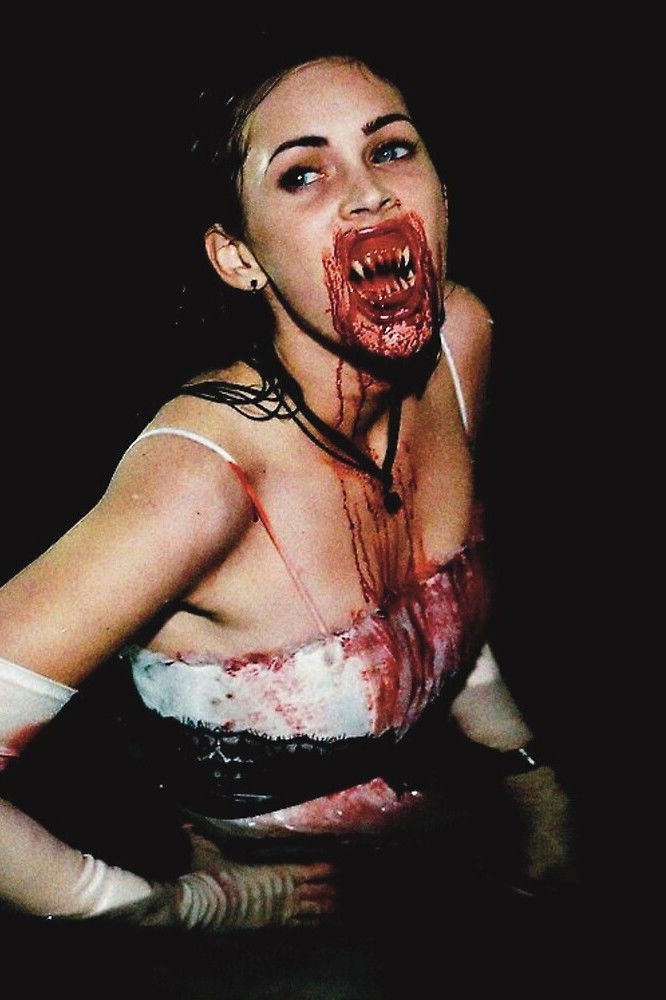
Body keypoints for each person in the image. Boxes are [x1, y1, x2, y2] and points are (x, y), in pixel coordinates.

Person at [0, 44, 576, 937]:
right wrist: (175, 908)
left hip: (438, 843)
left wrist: (525, 771)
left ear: (443, 194)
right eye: (302, 173)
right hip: (274, 906)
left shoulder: (460, 339)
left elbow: (435, 598)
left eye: (390, 149)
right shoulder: (202, 484)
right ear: (239, 258)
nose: (369, 194)